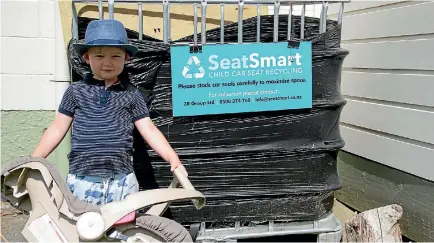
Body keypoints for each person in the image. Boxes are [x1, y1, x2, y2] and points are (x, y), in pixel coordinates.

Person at [31, 19, 185, 206]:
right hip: (82, 180)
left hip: (122, 181)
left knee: (123, 231)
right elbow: (57, 128)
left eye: (115, 56)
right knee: (85, 230)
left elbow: (149, 129)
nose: (107, 63)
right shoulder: (75, 92)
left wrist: (172, 157)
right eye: (99, 56)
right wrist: (35, 160)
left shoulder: (132, 94)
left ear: (126, 58)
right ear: (86, 58)